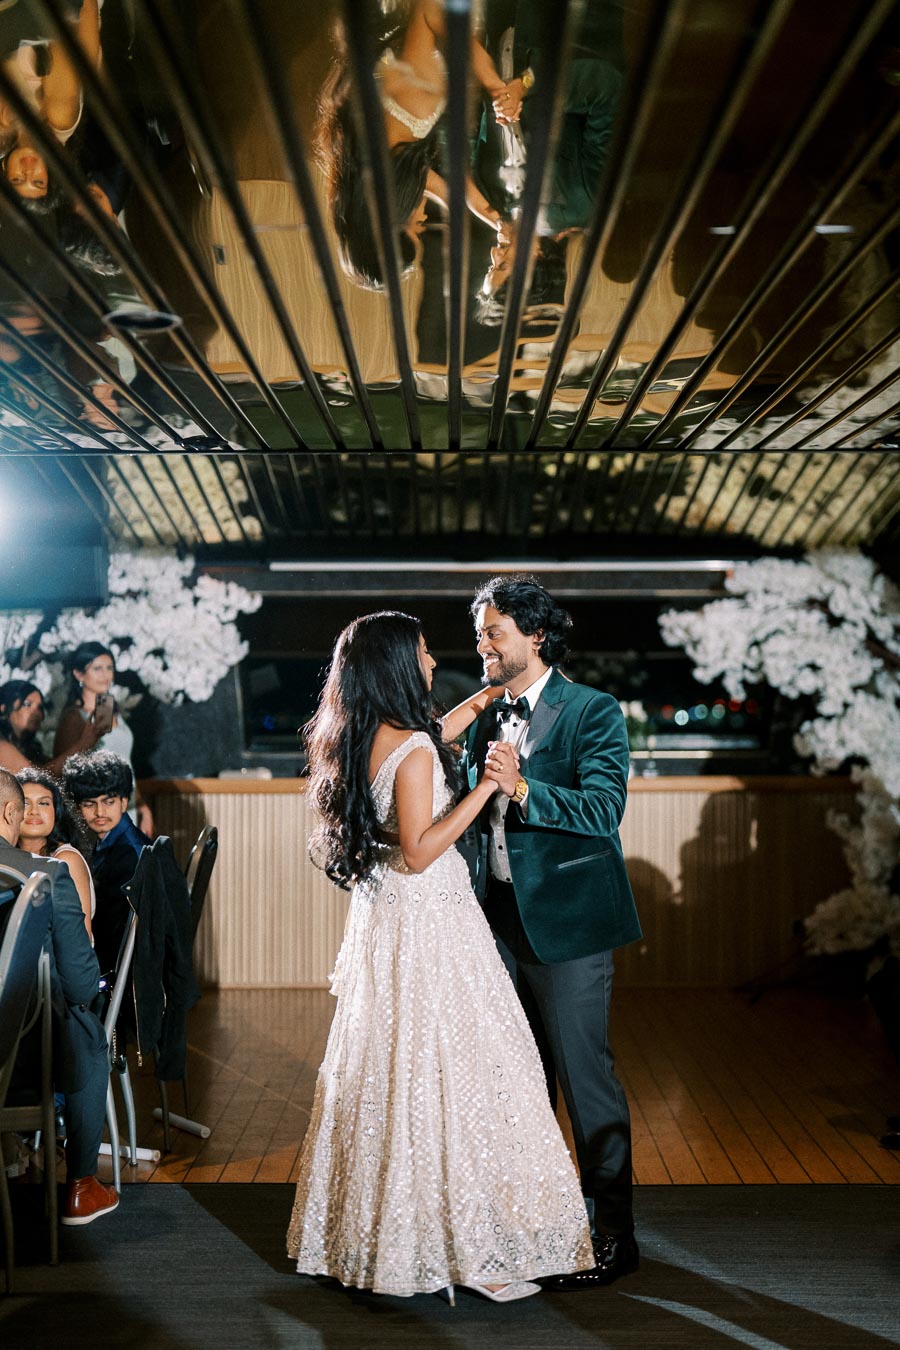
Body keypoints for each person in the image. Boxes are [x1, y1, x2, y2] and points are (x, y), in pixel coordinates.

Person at [286, 611, 593, 1301]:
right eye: (423, 654)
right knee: (462, 1065)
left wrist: (485, 699)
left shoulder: (361, 735)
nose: (433, 662)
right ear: (399, 665)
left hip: (386, 915)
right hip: (429, 917)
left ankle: (392, 1231)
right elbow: (423, 851)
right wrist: (488, 786)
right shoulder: (417, 753)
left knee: (398, 1066)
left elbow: (429, 739)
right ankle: (473, 1242)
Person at [463, 573, 641, 1288]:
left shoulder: (592, 711)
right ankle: (536, 1225)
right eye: (480, 633)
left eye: (493, 633)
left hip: (569, 929)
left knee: (584, 1078)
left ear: (535, 636)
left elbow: (603, 811)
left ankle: (614, 1234)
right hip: (497, 925)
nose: (482, 645)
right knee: (516, 1084)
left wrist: (524, 787)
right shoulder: (484, 716)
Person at [318, 0, 515, 288]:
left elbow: (428, 10)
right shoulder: (378, 159)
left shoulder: (413, 109)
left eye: (415, 227)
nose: (423, 219)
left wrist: (495, 84)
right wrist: (499, 223)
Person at [0, 768, 117, 1225]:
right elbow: (82, 982)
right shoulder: (47, 875)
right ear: (11, 812)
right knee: (85, 1026)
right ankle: (81, 1185)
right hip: (26, 1054)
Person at [61, 749, 149, 978]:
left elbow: (114, 932)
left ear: (124, 802)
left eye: (108, 802)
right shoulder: (115, 841)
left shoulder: (129, 854)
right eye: (90, 804)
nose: (100, 812)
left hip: (123, 971)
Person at [53, 641, 154, 836]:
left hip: (126, 806)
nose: (105, 675)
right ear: (79, 674)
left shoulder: (111, 711)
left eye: (109, 668)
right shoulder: (74, 717)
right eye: (97, 668)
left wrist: (142, 806)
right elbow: (64, 772)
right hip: (98, 813)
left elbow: (126, 763)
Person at [16, 765, 94, 939]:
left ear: (56, 812)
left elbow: (80, 938)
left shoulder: (66, 859)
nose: (34, 811)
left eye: (44, 803)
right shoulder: (8, 856)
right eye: (25, 803)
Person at [0, 677, 101, 775]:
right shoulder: (2, 745)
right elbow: (37, 779)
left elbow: (49, 768)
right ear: (3, 709)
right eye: (27, 704)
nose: (37, 713)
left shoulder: (30, 748)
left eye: (40, 707)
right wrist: (84, 744)